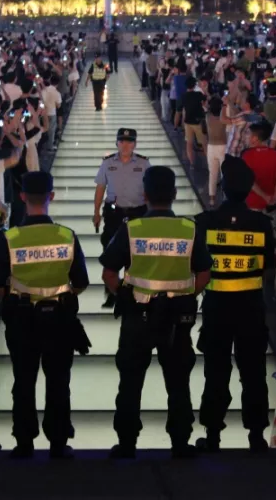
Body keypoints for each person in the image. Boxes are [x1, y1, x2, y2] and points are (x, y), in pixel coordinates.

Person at [100, 165, 212, 459]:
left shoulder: (132, 228)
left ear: (145, 194)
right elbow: (204, 273)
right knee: (178, 382)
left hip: (137, 317)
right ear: (174, 194)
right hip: (177, 319)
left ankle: (127, 444)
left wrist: (124, 295)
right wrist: (187, 295)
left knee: (130, 381)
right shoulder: (189, 229)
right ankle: (180, 443)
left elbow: (109, 273)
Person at [0, 171, 90, 459]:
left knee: (23, 380)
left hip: (21, 321)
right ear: (51, 197)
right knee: (58, 381)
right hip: (59, 320)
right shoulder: (66, 236)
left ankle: (24, 443)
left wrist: (18, 297)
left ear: (22, 197)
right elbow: (81, 282)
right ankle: (58, 442)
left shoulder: (10, 238)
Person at [193, 157, 275, 452]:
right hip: (251, 309)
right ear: (248, 190)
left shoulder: (204, 222)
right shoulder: (262, 224)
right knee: (253, 372)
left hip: (216, 309)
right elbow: (269, 267)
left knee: (216, 370)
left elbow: (195, 265)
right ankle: (257, 436)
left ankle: (213, 434)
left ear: (223, 188)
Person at [93, 128, 150, 305]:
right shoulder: (108, 163)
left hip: (137, 213)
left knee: (134, 253)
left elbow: (149, 190)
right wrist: (96, 212)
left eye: (129, 142)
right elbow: (100, 187)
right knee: (110, 250)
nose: (125, 145)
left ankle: (130, 292)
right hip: (114, 214)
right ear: (117, 143)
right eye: (122, 141)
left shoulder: (144, 163)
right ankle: (111, 293)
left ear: (135, 144)